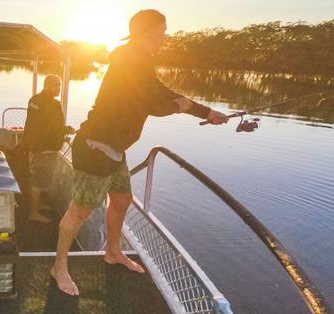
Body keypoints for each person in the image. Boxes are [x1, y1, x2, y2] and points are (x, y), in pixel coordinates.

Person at [50, 9, 230, 296]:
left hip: (115, 148)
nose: (164, 37)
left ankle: (112, 251)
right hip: (96, 146)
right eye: (162, 32)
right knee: (80, 210)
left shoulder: (139, 60)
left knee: (121, 199)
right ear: (146, 32)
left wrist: (206, 111)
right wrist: (181, 106)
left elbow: (160, 91)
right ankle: (59, 267)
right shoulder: (128, 59)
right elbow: (154, 103)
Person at [23, 75, 75, 223]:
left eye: (59, 85)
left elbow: (39, 125)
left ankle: (37, 205)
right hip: (44, 149)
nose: (59, 88)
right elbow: (53, 128)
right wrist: (68, 130)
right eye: (56, 85)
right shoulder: (53, 105)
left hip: (34, 147)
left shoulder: (34, 100)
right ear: (47, 86)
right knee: (38, 181)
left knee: (37, 177)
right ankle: (33, 213)